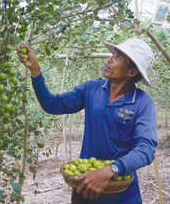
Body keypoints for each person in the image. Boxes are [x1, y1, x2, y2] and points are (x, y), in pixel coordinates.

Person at [16, 38, 157, 204]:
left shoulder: (142, 103)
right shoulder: (92, 89)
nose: (110, 59)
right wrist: (35, 71)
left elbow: (146, 149)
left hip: (121, 195)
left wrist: (111, 169)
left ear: (131, 72)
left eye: (118, 57)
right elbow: (52, 104)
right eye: (113, 53)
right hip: (85, 190)